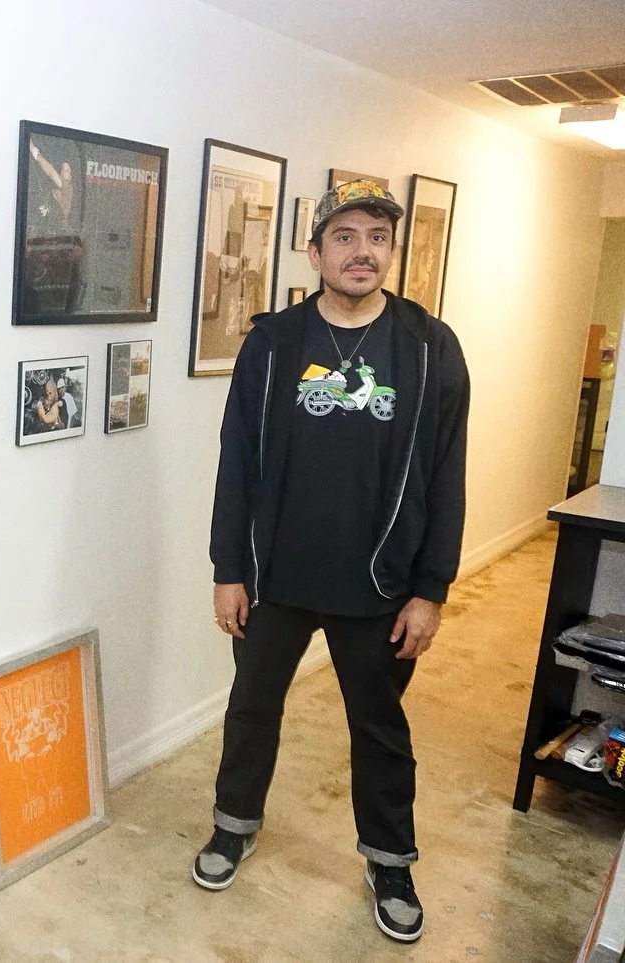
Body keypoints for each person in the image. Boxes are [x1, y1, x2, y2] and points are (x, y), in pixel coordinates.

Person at [195, 179, 469, 944]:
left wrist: (431, 590)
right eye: (345, 236)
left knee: (378, 727)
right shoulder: (274, 344)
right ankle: (233, 823)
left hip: (380, 583)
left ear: (391, 252)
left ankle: (389, 859)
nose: (362, 251)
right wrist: (228, 568)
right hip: (276, 577)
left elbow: (447, 474)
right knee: (252, 708)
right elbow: (235, 463)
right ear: (315, 252)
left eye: (377, 237)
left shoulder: (429, 347)